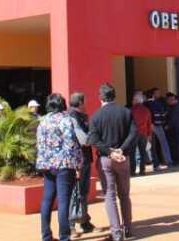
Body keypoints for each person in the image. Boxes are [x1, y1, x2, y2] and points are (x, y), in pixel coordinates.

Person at [89, 84, 137, 241]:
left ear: (100, 97)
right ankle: (127, 229)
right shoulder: (125, 112)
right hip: (123, 158)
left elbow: (94, 139)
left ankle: (116, 233)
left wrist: (110, 152)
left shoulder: (96, 116)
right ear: (114, 95)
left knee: (110, 195)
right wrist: (121, 150)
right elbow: (133, 133)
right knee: (124, 195)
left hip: (106, 159)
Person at [35, 94, 83, 241]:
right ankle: (64, 236)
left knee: (47, 200)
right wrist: (78, 164)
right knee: (63, 201)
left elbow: (39, 144)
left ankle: (46, 236)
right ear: (62, 104)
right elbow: (71, 144)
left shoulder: (43, 121)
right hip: (64, 165)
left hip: (47, 165)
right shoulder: (65, 119)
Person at [68, 93, 95, 235]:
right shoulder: (73, 117)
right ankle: (71, 224)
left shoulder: (80, 116)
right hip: (79, 159)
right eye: (85, 101)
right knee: (77, 191)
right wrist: (94, 136)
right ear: (80, 103)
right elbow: (84, 140)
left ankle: (84, 221)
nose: (86, 104)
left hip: (83, 158)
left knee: (82, 191)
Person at [146, 88, 173, 170]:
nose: (159, 94)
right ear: (153, 94)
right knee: (163, 143)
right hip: (157, 125)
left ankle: (151, 162)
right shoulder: (157, 103)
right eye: (157, 93)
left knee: (151, 145)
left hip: (149, 126)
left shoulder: (145, 103)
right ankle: (168, 161)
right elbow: (163, 113)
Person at [129, 91, 152, 176]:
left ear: (136, 100)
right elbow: (149, 123)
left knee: (132, 153)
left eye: (133, 100)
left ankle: (132, 171)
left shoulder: (132, 110)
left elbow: (129, 122)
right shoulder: (146, 110)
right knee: (142, 152)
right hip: (144, 133)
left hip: (134, 134)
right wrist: (149, 134)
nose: (132, 101)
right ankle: (142, 170)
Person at [165, 92, 179, 166]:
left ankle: (176, 160)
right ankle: (178, 159)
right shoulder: (176, 106)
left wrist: (168, 126)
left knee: (174, 145)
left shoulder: (175, 107)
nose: (168, 101)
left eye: (169, 100)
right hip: (176, 128)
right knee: (175, 145)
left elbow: (174, 119)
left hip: (174, 129)